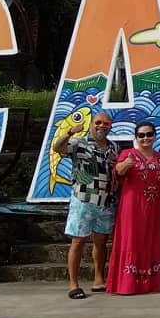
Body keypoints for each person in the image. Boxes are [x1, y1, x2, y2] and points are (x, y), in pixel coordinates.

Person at [56, 111, 117, 300]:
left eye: (106, 123)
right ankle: (73, 284)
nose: (102, 126)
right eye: (98, 122)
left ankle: (99, 279)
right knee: (78, 241)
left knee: (101, 241)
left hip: (105, 201)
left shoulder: (113, 146)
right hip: (83, 199)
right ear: (92, 124)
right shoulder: (79, 143)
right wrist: (69, 133)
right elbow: (57, 148)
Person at [107, 122, 160, 295]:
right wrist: (125, 164)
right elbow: (117, 172)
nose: (145, 138)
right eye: (141, 135)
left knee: (150, 240)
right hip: (131, 207)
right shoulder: (128, 153)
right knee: (131, 239)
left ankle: (150, 282)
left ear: (154, 136)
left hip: (153, 207)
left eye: (149, 134)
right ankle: (127, 284)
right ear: (136, 137)